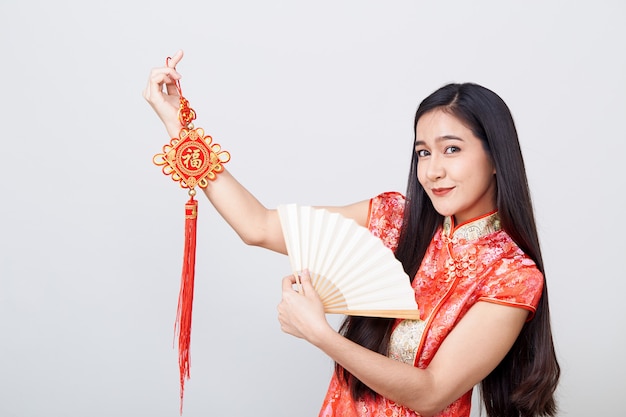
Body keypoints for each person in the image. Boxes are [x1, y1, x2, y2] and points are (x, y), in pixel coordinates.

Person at [143, 50, 560, 417]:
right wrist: (175, 123)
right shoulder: (396, 219)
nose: (433, 170)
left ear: (494, 158)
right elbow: (258, 226)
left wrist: (321, 335)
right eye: (423, 152)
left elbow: (432, 393)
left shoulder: (512, 276)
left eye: (452, 149)